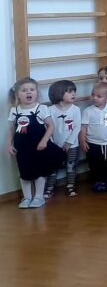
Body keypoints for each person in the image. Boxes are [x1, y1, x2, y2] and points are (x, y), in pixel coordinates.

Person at [9, 78, 61, 207]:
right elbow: (11, 129)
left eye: (32, 89)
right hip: (22, 148)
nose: (28, 92)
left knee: (40, 171)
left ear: (36, 93)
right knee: (24, 173)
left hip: (39, 147)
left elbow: (51, 126)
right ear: (17, 94)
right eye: (24, 90)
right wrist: (8, 144)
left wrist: (44, 141)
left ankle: (39, 197)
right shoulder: (14, 110)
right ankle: (26, 197)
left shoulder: (41, 108)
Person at [80, 82, 107, 193]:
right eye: (93, 95)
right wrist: (82, 141)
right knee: (94, 163)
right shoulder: (88, 111)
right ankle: (97, 181)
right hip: (93, 143)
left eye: (99, 96)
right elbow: (83, 127)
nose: (94, 98)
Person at [46, 80, 81, 198]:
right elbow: (47, 128)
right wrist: (52, 143)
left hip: (72, 145)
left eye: (74, 91)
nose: (74, 94)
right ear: (58, 93)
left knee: (71, 166)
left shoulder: (75, 109)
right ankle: (49, 188)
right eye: (69, 91)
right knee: (53, 167)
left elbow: (77, 127)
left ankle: (70, 186)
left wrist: (69, 142)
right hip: (55, 146)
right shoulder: (50, 110)